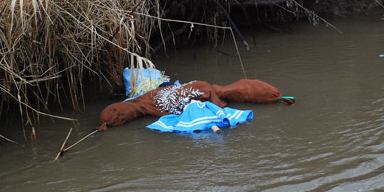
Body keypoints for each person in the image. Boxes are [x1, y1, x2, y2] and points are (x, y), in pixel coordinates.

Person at [98, 78, 294, 130]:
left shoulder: (145, 100)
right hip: (191, 90)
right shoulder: (144, 102)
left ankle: (275, 97)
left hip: (194, 90)